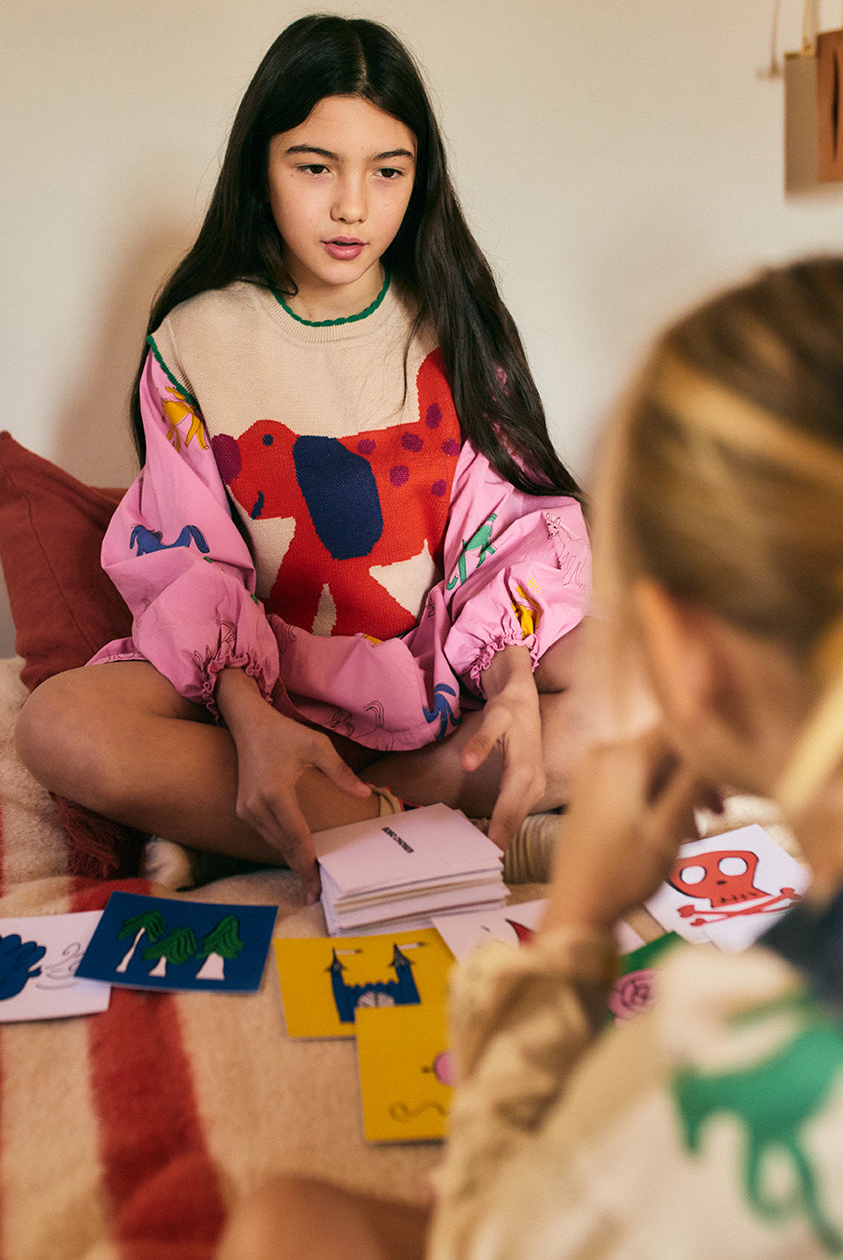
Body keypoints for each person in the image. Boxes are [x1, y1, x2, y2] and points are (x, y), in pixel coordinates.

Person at [217, 256, 843, 1258]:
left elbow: (487, 1228)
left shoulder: (723, 1063)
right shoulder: (208, 353)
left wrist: (572, 934)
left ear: (683, 657)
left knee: (278, 1225)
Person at [15, 14, 591, 900]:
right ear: (261, 164)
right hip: (266, 685)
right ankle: (447, 832)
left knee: (648, 672)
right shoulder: (193, 340)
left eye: (386, 171)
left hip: (435, 674)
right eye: (314, 166)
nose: (352, 205)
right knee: (58, 725)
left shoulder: (457, 327)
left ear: (419, 179)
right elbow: (188, 560)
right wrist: (249, 723)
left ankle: (281, 829)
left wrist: (514, 681)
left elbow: (504, 524)